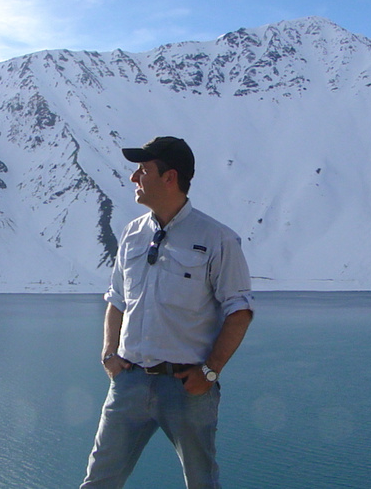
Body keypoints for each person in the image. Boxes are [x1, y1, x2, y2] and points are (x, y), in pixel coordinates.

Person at [81, 136, 255, 489]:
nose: (134, 178)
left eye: (142, 170)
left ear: (169, 177)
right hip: (129, 382)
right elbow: (117, 299)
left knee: (201, 483)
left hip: (186, 387)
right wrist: (109, 353)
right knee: (99, 481)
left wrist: (209, 371)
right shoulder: (131, 234)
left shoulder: (218, 239)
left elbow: (239, 310)